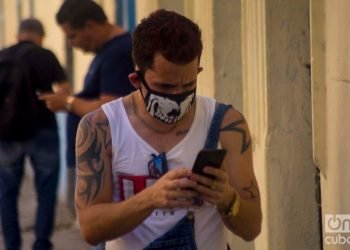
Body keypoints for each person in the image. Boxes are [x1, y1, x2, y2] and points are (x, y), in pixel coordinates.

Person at [75, 9, 262, 250]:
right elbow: (90, 229)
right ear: (136, 80)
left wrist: (227, 198)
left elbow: (252, 228)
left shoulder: (227, 124)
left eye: (188, 85)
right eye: (165, 86)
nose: (177, 97)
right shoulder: (102, 128)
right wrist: (150, 199)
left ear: (198, 73)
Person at [39, 1, 135, 249]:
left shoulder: (118, 53)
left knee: (100, 230)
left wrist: (68, 102)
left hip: (104, 163)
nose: (72, 44)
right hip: (93, 160)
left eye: (73, 36)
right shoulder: (107, 52)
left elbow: (109, 108)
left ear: (90, 25)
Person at [0, 18, 69, 250]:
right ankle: (41, 243)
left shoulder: (3, 56)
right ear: (40, 36)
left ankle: (11, 245)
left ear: (18, 35)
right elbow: (64, 89)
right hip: (44, 130)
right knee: (46, 193)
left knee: (7, 195)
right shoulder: (45, 55)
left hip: (7, 134)